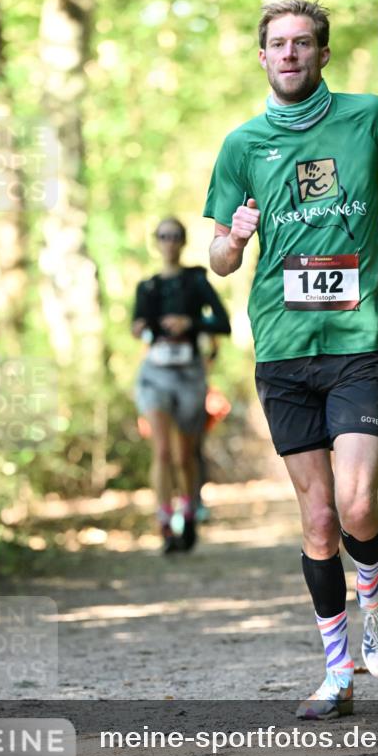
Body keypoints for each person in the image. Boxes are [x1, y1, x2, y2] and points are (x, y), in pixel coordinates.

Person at [204, 0, 378, 719]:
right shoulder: (242, 144)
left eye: (303, 43)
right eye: (278, 44)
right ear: (261, 57)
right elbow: (218, 260)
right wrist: (234, 240)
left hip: (356, 341)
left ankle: (374, 597)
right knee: (320, 519)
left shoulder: (367, 115)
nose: (290, 53)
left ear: (323, 54)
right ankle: (335, 674)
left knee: (359, 504)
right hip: (282, 349)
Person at [132, 217, 231, 553]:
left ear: (183, 241)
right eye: (163, 236)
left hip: (189, 373)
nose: (169, 242)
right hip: (155, 373)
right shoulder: (147, 287)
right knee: (161, 450)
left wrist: (191, 322)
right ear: (156, 241)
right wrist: (142, 327)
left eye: (175, 236)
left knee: (184, 455)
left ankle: (187, 514)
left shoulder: (196, 281)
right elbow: (137, 326)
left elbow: (223, 321)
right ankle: (164, 522)